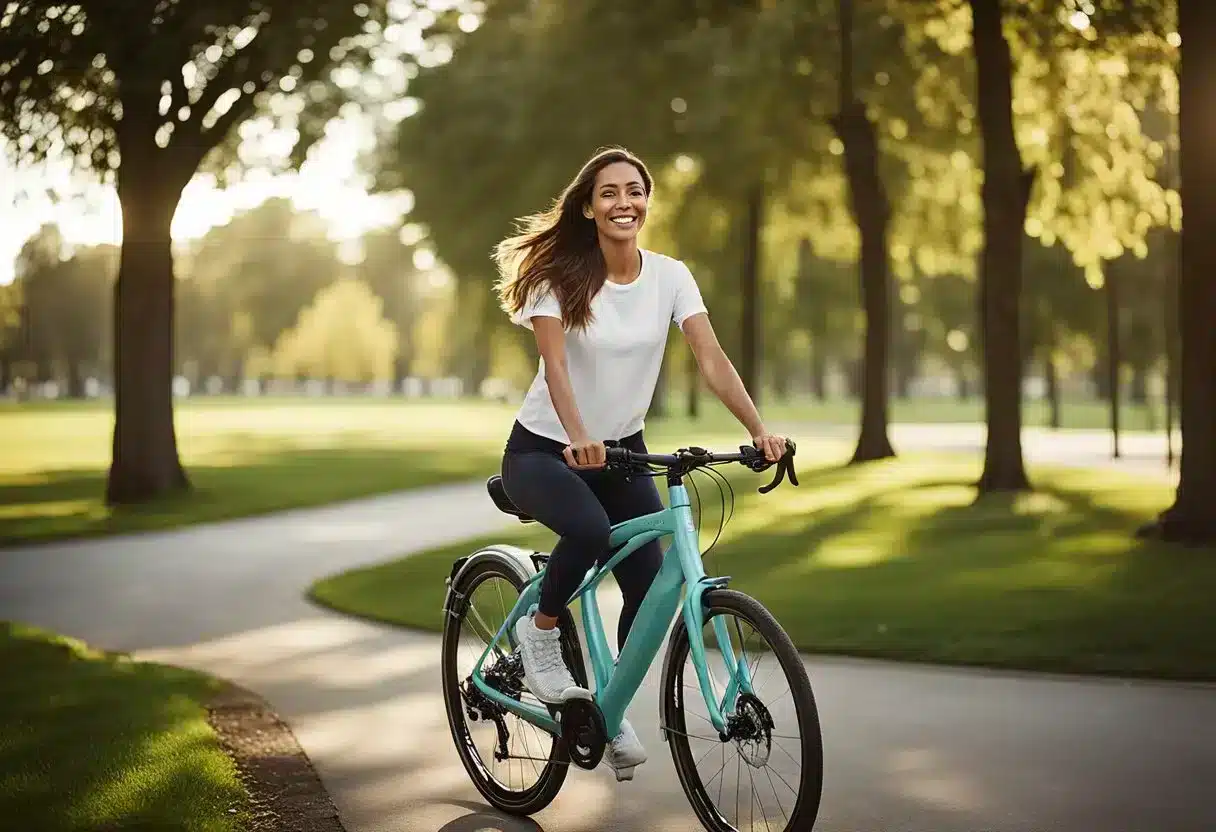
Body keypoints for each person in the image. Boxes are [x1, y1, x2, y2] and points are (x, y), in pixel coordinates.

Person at [492, 146, 789, 780]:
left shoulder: (670, 276)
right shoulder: (557, 278)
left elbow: (710, 358)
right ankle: (540, 632)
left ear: (647, 201)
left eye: (634, 191)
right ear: (588, 207)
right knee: (589, 531)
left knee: (651, 583)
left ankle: (610, 702)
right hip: (543, 451)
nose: (623, 203)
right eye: (609, 193)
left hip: (621, 451)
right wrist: (579, 436)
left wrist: (758, 430)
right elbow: (556, 367)